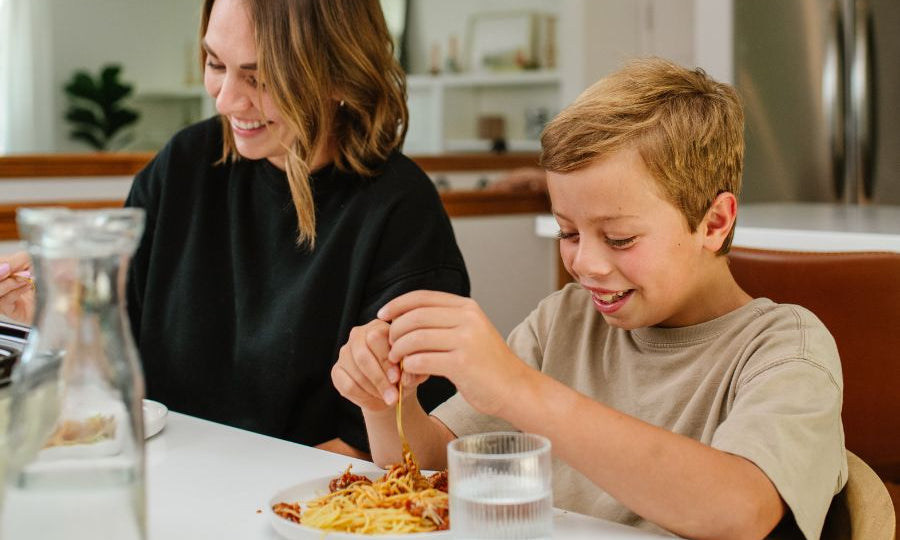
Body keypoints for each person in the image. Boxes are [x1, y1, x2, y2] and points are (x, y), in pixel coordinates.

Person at [333, 58, 846, 539]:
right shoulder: (564, 320)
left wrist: (521, 391)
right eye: (568, 233)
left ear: (714, 223)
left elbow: (742, 511)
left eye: (620, 238)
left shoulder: (786, 350)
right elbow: (434, 469)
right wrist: (386, 402)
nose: (585, 264)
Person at [0, 0, 469, 458]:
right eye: (214, 63)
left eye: (258, 77)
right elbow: (115, 339)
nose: (225, 99)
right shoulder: (185, 164)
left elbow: (383, 449)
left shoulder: (400, 212)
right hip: (164, 479)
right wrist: (46, 313)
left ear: (337, 75)